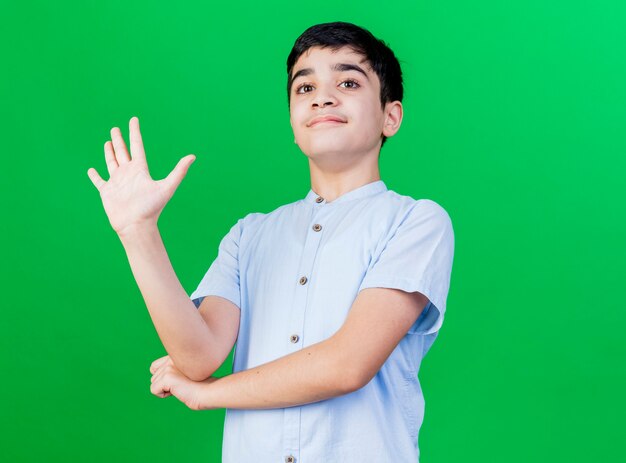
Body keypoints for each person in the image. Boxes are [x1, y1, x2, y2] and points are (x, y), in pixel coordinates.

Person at [87, 21, 455, 463]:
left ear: (390, 116)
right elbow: (199, 355)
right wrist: (139, 232)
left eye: (349, 81)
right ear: (293, 122)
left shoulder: (416, 221)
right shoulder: (250, 234)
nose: (323, 96)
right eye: (305, 88)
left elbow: (347, 364)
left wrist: (207, 395)